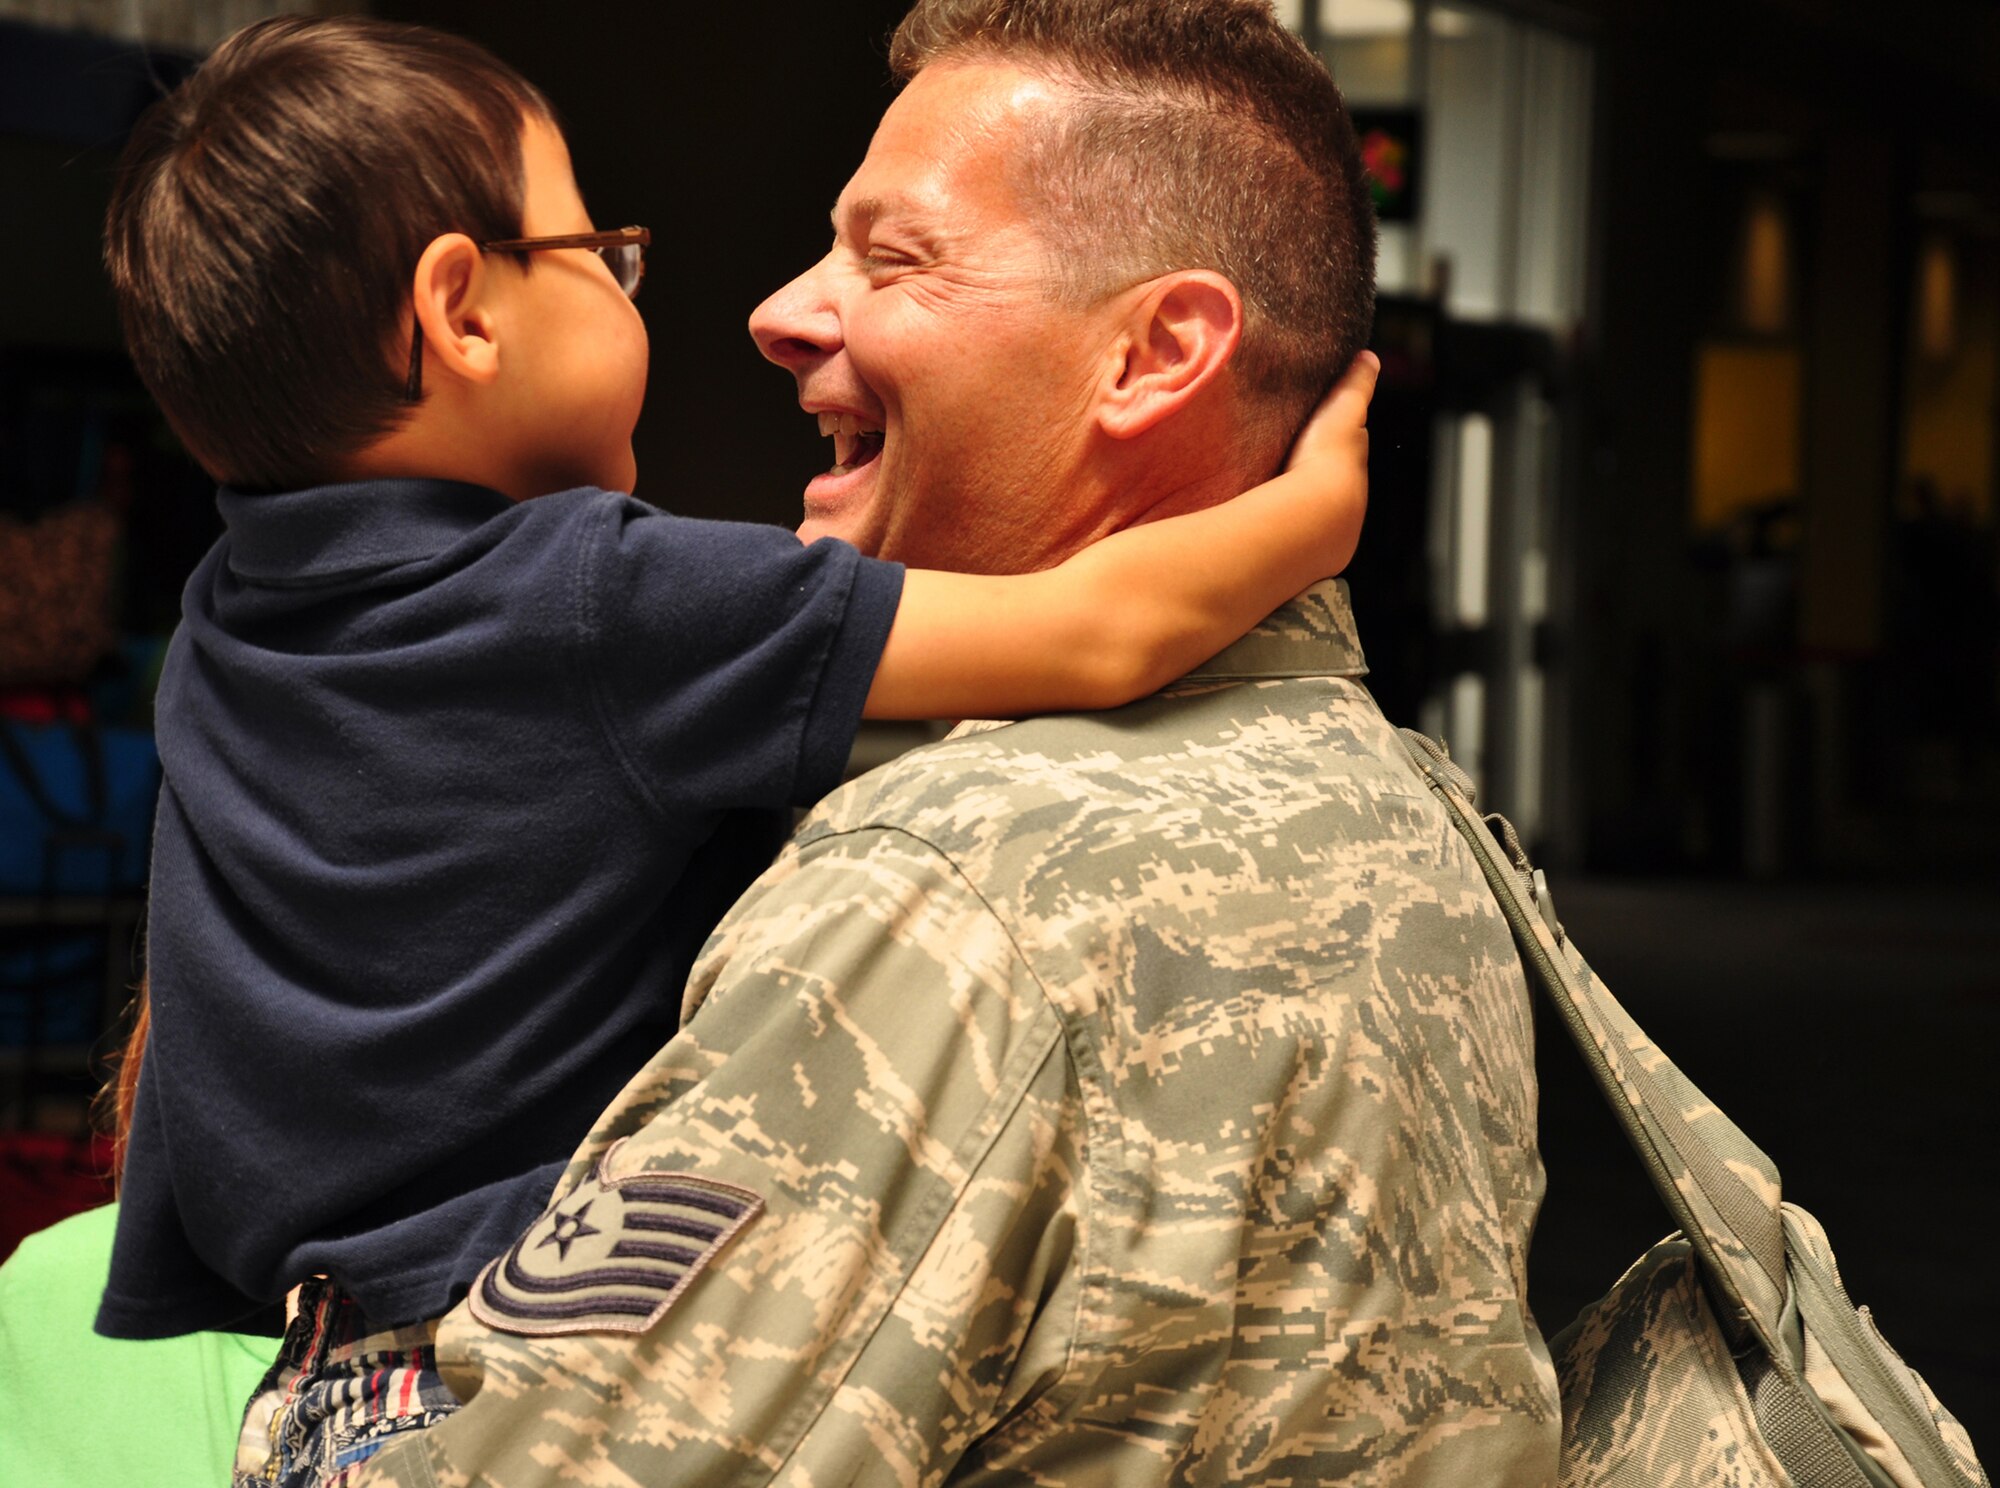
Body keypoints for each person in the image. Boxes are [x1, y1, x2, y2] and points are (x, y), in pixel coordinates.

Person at [88, 11, 1371, 1485]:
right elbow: (1096, 634)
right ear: (463, 311)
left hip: (308, 1397)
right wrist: (1315, 510)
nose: (739, 311)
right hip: (493, 1385)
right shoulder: (604, 598)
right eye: (600, 254)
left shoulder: (223, 632)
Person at [350, 2, 1557, 1486]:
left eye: (892, 257)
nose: (780, 310)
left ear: (1155, 353)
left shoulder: (947, 897)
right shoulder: (1397, 809)